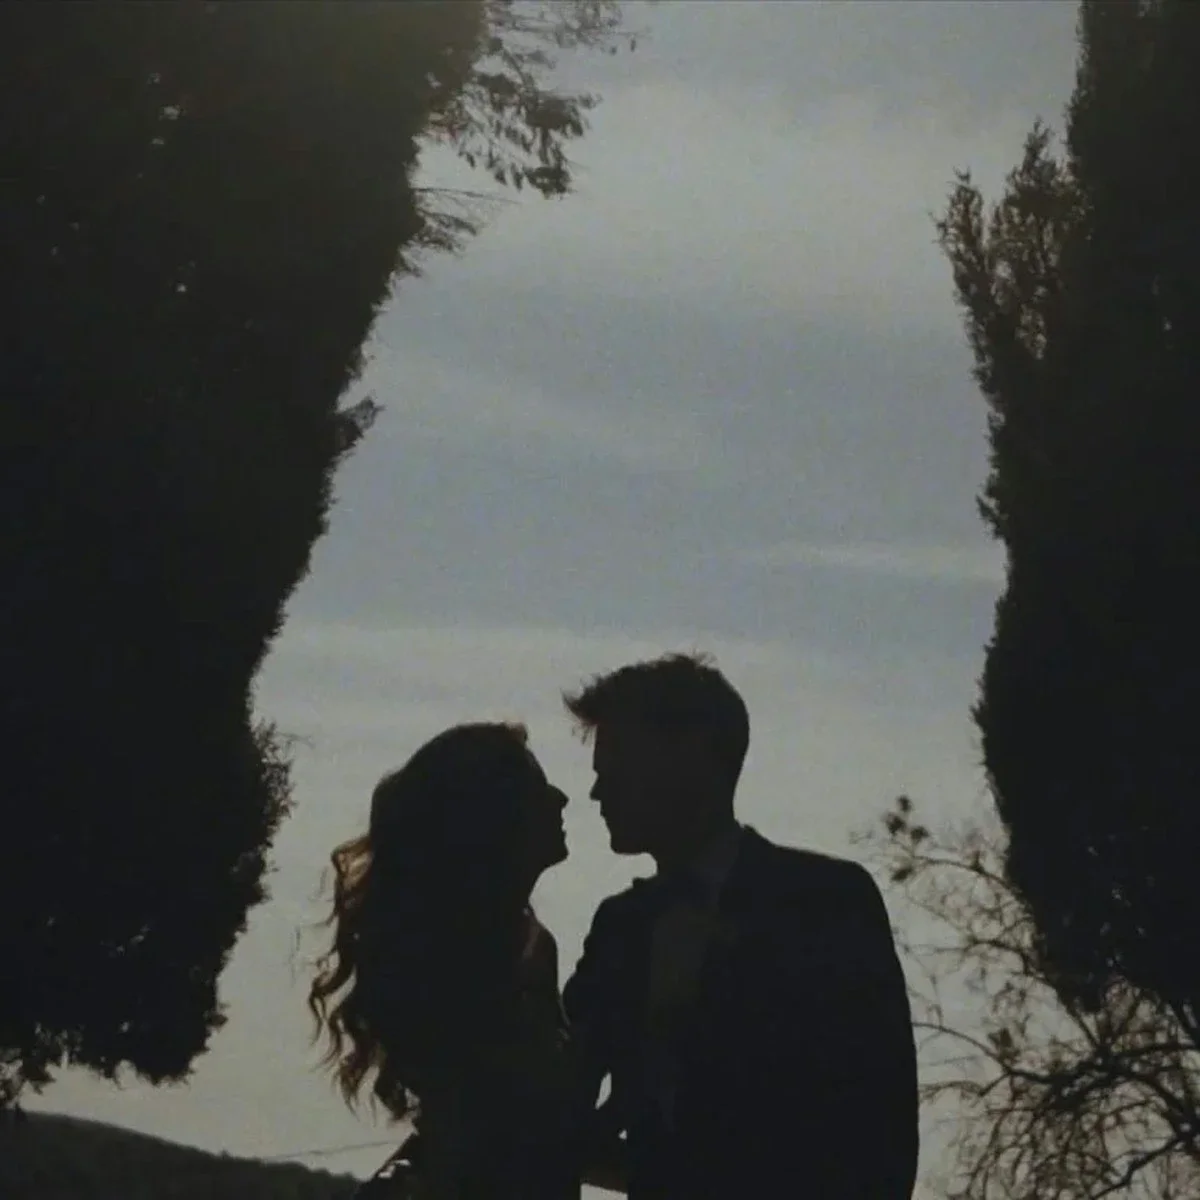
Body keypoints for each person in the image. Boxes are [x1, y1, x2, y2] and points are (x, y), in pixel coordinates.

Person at [562, 653, 920, 1200]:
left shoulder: (826, 903)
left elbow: (883, 1125)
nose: (598, 791)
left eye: (618, 766)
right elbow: (559, 1104)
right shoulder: (620, 928)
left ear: (691, 754)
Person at [308, 722, 583, 1200]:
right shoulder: (451, 968)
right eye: (537, 788)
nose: (561, 799)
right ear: (490, 818)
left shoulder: (534, 949)